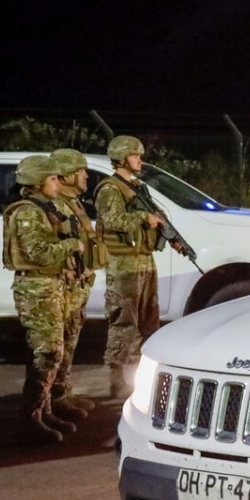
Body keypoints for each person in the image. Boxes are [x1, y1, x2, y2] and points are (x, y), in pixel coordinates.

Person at [1, 155, 86, 443]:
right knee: (47, 353)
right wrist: (71, 245)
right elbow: (38, 254)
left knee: (50, 353)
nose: (57, 182)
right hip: (36, 289)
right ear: (37, 183)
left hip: (51, 286)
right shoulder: (26, 212)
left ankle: (43, 411)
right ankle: (30, 419)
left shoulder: (42, 208)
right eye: (52, 178)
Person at [96, 135, 165, 398]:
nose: (140, 160)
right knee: (124, 321)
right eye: (136, 155)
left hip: (144, 259)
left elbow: (157, 215)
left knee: (149, 322)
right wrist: (143, 218)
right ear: (123, 158)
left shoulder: (137, 186)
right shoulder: (110, 189)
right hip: (123, 262)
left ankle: (143, 379)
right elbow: (112, 220)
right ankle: (116, 379)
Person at [49, 148, 108, 416]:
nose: (86, 175)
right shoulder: (56, 205)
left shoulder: (73, 201)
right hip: (64, 287)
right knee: (56, 345)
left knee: (69, 341)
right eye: (81, 171)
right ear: (68, 174)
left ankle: (62, 393)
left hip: (78, 285)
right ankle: (52, 399)